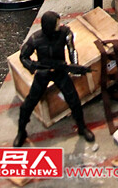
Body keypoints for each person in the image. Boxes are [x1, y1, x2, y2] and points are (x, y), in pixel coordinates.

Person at [14, 11, 95, 146]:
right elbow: (23, 56)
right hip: (43, 73)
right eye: (56, 24)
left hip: (60, 71)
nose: (59, 25)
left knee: (74, 100)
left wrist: (74, 66)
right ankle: (21, 132)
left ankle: (82, 127)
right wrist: (33, 66)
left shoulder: (64, 33)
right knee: (28, 104)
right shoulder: (35, 39)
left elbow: (72, 49)